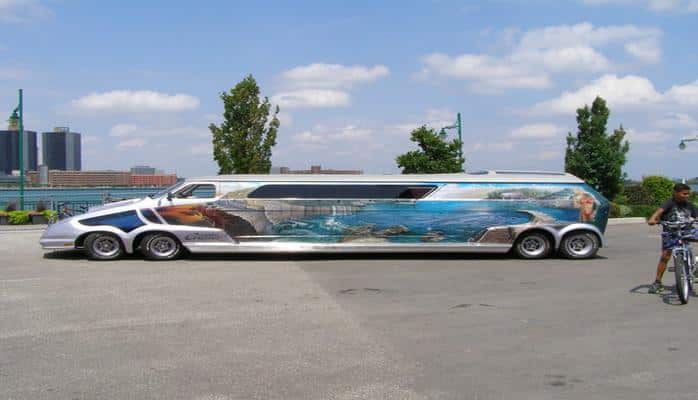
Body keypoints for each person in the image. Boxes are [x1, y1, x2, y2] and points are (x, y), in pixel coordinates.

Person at [647, 183, 698, 294]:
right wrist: (653, 219)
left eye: (688, 194)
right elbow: (658, 213)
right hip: (671, 233)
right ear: (675, 193)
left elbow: (696, 215)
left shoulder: (689, 205)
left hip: (688, 231)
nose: (687, 196)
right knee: (665, 256)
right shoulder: (668, 204)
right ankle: (657, 282)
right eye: (684, 194)